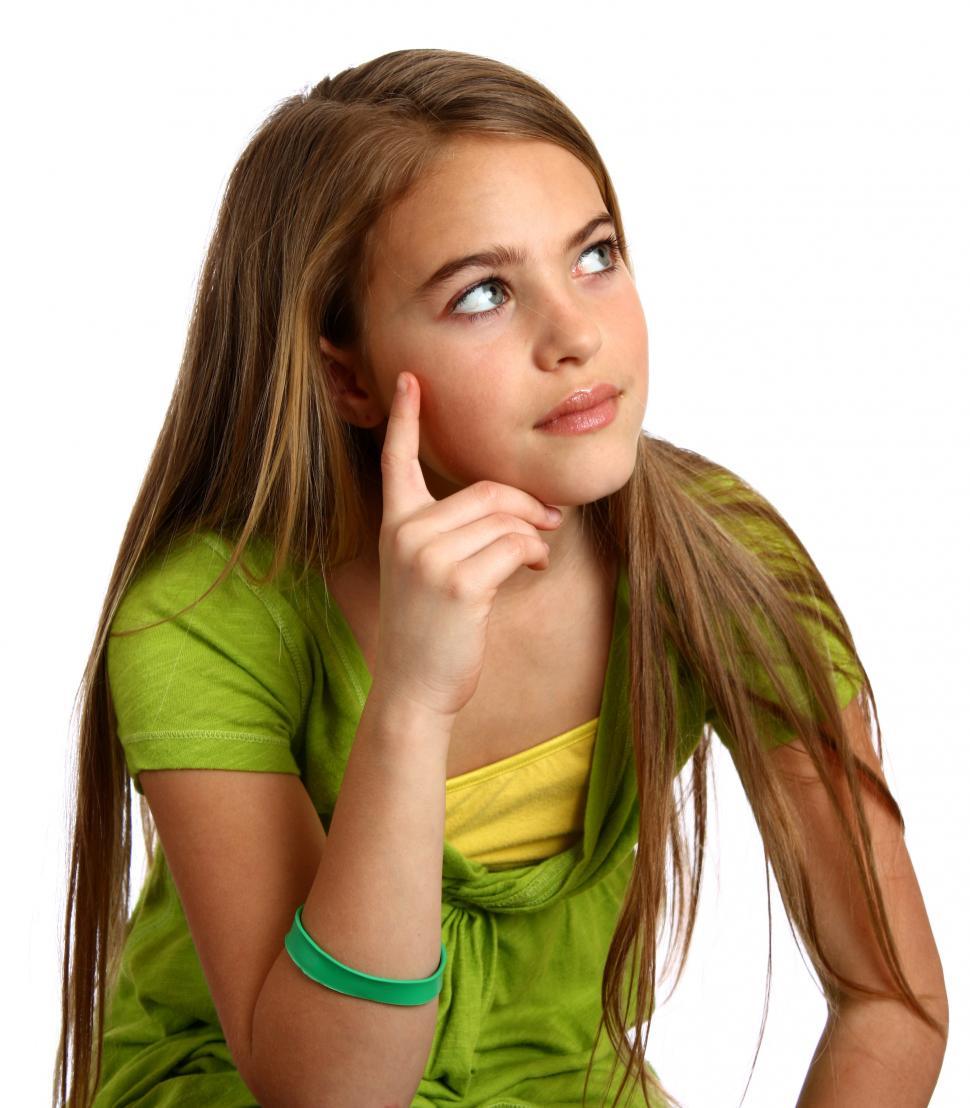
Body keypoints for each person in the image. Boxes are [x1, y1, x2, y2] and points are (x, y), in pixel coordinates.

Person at [53, 48, 948, 1108]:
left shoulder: (725, 566)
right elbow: (328, 1093)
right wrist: (411, 702)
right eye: (482, 294)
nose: (574, 334)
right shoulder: (205, 616)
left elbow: (888, 1000)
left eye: (596, 255)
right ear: (346, 373)